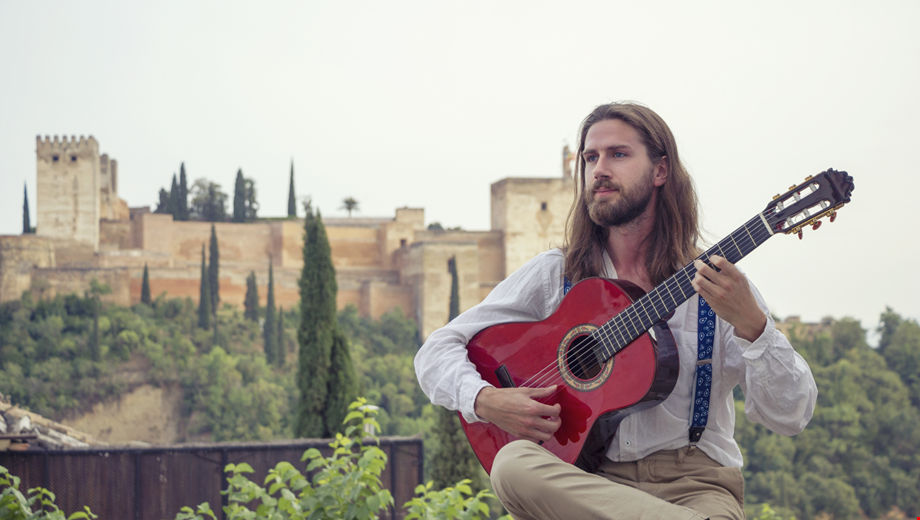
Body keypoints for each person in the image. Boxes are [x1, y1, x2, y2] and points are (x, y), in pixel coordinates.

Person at [414, 102, 817, 520]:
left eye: (618, 154)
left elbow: (791, 415)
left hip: (693, 488)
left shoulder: (718, 285)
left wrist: (754, 326)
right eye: (591, 158)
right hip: (586, 481)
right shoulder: (557, 273)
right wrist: (485, 399)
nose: (599, 169)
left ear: (661, 171)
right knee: (513, 465)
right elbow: (437, 349)